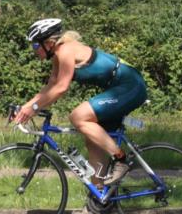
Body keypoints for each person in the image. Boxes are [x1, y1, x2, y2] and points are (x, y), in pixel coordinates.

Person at [11, 18, 148, 188]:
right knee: (93, 142)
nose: (34, 51)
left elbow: (61, 87)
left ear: (48, 42)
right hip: (117, 88)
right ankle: (98, 199)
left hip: (130, 86)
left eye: (35, 46)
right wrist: (26, 107)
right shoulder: (57, 56)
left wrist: (34, 108)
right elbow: (51, 85)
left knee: (78, 116)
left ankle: (122, 159)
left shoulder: (65, 51)